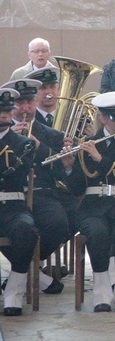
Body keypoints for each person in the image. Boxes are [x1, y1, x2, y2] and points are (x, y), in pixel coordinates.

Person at [61, 91, 115, 312]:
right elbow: (78, 188)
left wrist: (100, 159)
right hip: (93, 206)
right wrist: (70, 167)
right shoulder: (87, 144)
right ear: (103, 119)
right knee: (96, 233)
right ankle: (101, 293)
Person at [2, 78, 73, 293]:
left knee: (59, 224)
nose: (25, 108)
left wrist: (38, 145)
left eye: (29, 102)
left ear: (36, 102)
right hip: (9, 195)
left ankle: (23, 269)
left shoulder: (52, 135)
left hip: (41, 194)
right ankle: (32, 273)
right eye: (19, 103)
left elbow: (63, 173)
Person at [0, 88, 38, 316]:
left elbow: (15, 170)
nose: (4, 116)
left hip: (13, 206)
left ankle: (14, 291)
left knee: (26, 231)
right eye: (0, 111)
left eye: (7, 111)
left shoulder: (24, 143)